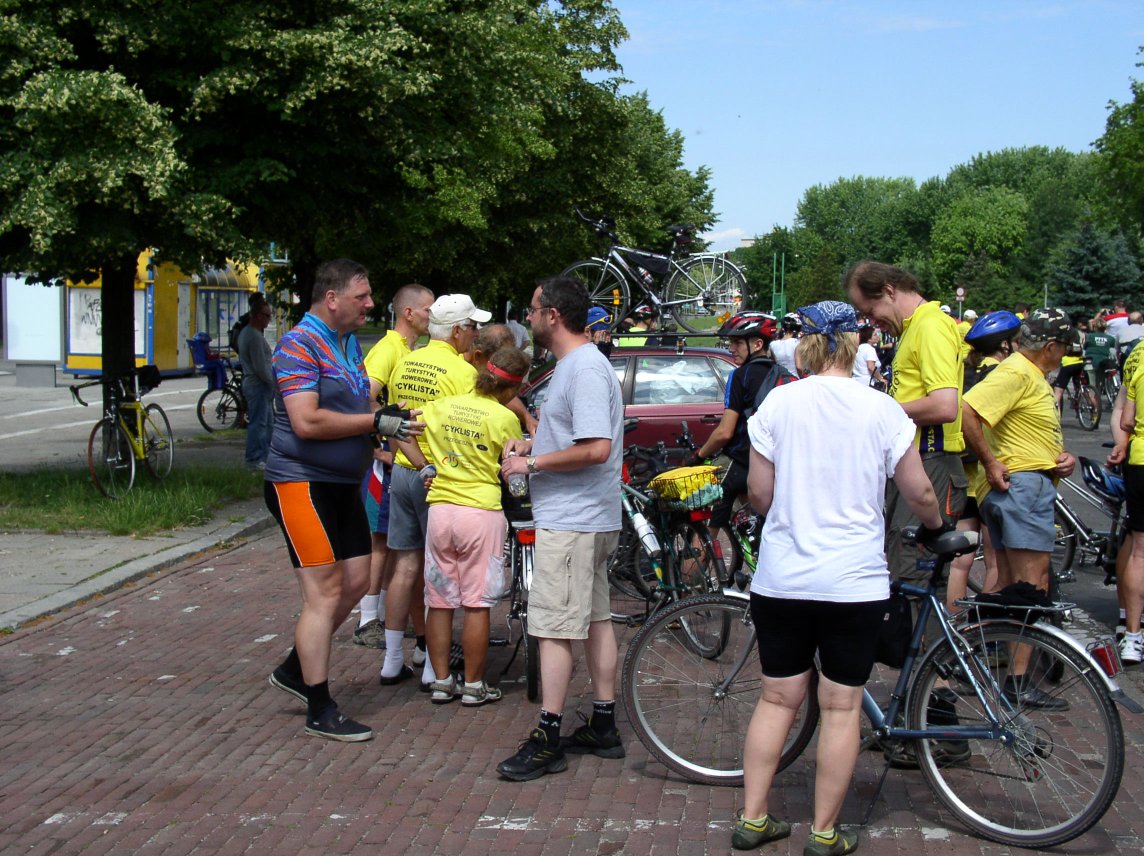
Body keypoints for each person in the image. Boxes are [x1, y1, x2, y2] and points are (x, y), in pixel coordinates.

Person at [733, 300, 944, 855]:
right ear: (854, 345)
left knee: (777, 699)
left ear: (804, 344)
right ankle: (824, 832)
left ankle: (754, 819)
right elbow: (920, 491)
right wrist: (937, 527)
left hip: (784, 577)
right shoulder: (882, 409)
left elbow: (759, 494)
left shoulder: (779, 403)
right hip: (853, 581)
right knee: (841, 706)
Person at [264, 259, 420, 742]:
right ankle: (319, 706)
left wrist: (388, 418)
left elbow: (359, 403)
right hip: (299, 483)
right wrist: (374, 423)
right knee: (325, 591)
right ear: (331, 299)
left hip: (340, 483)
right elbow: (307, 421)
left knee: (356, 581)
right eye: (362, 296)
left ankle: (295, 668)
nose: (370, 304)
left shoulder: (348, 343)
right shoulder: (297, 345)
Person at [495, 275, 624, 782]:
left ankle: (548, 736)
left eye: (532, 309)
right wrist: (535, 445)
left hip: (573, 521)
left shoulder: (583, 368)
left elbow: (595, 448)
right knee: (595, 619)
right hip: (587, 518)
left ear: (552, 315)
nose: (527, 317)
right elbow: (577, 436)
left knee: (551, 627)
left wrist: (531, 464)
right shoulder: (580, 364)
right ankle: (603, 723)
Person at [961, 308, 1078, 709]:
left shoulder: (1027, 374)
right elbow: (969, 411)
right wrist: (992, 463)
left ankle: (962, 658)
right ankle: (1016, 682)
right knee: (1031, 587)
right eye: (1064, 346)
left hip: (1023, 486)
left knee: (1011, 586)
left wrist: (1059, 459)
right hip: (1022, 490)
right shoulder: (1017, 372)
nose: (1064, 354)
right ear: (1051, 346)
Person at [382, 293, 489, 688]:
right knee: (439, 574)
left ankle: (392, 660)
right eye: (472, 327)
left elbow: (391, 420)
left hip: (403, 470)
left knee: (404, 566)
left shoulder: (406, 362)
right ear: (457, 331)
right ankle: (432, 666)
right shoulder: (462, 373)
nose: (475, 335)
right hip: (437, 478)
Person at [845, 261, 967, 586]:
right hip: (917, 462)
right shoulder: (913, 328)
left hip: (931, 461)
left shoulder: (930, 325)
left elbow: (944, 405)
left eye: (870, 311)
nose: (872, 322)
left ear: (889, 290)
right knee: (901, 571)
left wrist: (880, 410)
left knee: (914, 580)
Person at [420, 347, 529, 705]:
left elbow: (399, 425)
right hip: (480, 512)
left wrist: (424, 466)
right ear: (511, 389)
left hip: (441, 510)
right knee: (476, 603)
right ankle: (473, 685)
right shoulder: (504, 417)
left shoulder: (443, 405)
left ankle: (441, 681)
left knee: (439, 602)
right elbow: (511, 468)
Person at [353, 284, 435, 650]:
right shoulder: (388, 349)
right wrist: (381, 443)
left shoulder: (409, 350)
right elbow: (364, 397)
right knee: (381, 541)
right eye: (428, 309)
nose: (432, 316)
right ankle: (368, 619)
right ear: (409, 313)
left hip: (399, 459)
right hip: (387, 462)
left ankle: (385, 615)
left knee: (395, 542)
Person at [692, 311, 793, 547]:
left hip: (739, 463)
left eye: (737, 342)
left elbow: (724, 432)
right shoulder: (785, 377)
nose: (731, 349)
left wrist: (698, 455)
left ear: (758, 344)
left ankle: (693, 570)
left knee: (705, 531)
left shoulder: (739, 376)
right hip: (774, 464)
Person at [946, 310, 1022, 610]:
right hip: (991, 479)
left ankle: (954, 626)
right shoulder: (1002, 375)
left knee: (960, 562)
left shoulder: (965, 370)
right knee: (994, 563)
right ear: (1005, 345)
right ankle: (985, 628)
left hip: (962, 475)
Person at [236, 298, 275, 469]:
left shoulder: (248, 333)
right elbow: (261, 367)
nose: (269, 319)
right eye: (267, 315)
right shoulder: (254, 337)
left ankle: (265, 457)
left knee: (267, 423)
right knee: (259, 423)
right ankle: (254, 458)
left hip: (257, 384)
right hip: (258, 384)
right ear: (258, 316)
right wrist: (274, 383)